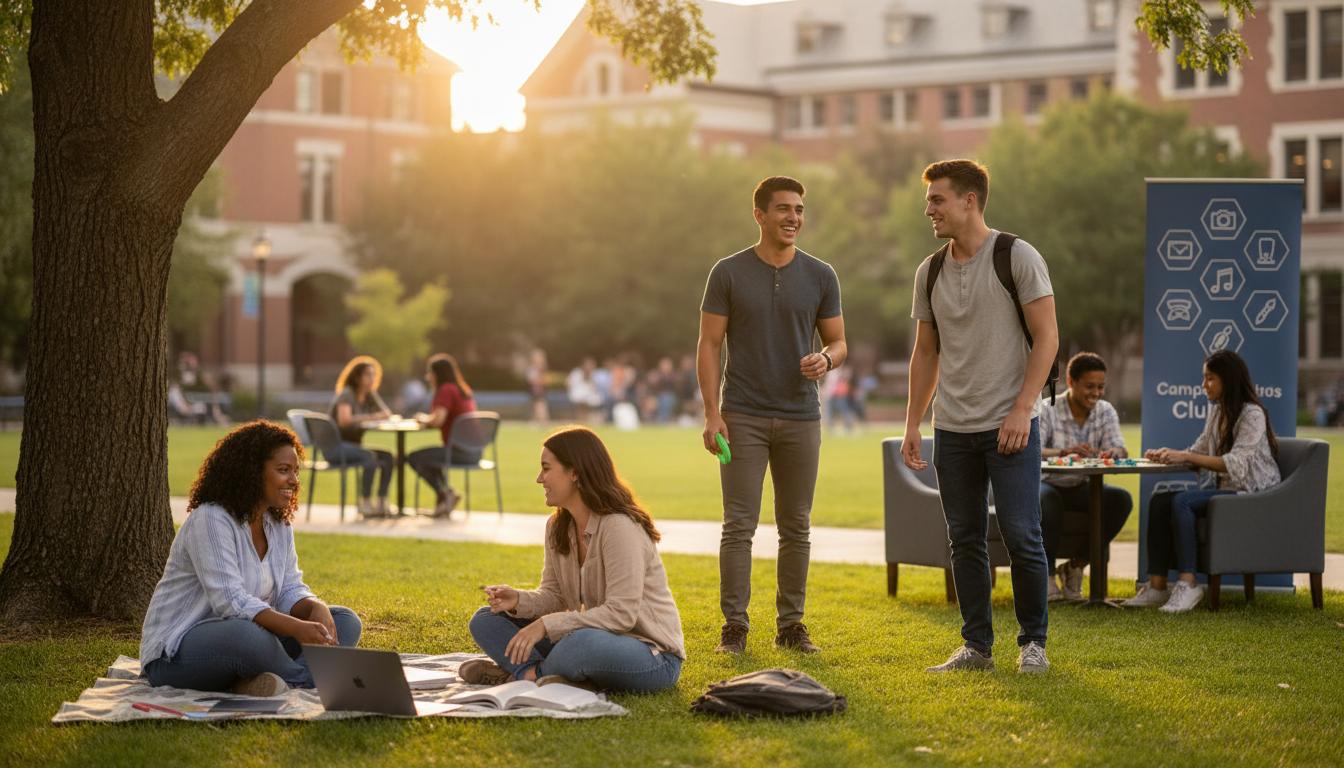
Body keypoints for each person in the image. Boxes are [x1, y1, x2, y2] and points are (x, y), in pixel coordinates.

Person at [902, 159, 1058, 674]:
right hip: (952, 428)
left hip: (1009, 427)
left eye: (937, 199)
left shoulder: (1017, 256)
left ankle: (1033, 643)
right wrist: (912, 424)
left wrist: (1021, 410)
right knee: (963, 538)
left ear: (969, 200)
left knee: (1021, 534)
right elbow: (925, 354)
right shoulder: (931, 271)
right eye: (929, 201)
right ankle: (976, 647)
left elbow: (1048, 338)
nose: (929, 209)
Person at [697, 175, 846, 655]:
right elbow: (709, 344)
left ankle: (791, 626)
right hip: (742, 415)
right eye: (783, 209)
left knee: (796, 525)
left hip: (802, 416)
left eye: (799, 209)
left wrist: (826, 359)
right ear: (759, 214)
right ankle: (734, 628)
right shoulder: (728, 272)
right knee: (739, 524)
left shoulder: (821, 275)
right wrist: (711, 413)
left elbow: (840, 342)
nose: (793, 218)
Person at [139, 421, 362, 695]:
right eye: (283, 470)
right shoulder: (210, 519)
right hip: (175, 656)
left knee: (344, 620)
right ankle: (303, 680)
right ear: (252, 472)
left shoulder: (278, 523)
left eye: (296, 471)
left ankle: (254, 683)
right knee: (246, 635)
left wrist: (316, 608)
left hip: (250, 640)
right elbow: (230, 602)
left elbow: (290, 588)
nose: (294, 480)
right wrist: (297, 627)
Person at [462, 426, 685, 693]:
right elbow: (555, 596)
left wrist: (547, 625)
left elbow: (622, 614)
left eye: (546, 468)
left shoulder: (618, 527)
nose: (538, 479)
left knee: (579, 643)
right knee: (486, 619)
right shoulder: (557, 526)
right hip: (594, 639)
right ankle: (542, 674)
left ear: (575, 473)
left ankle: (525, 674)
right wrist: (518, 601)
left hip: (651, 656)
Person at [1125, 350, 1281, 613]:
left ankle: (1188, 583)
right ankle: (1157, 586)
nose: (1203, 385)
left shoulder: (1252, 414)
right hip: (1225, 490)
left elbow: (1237, 462)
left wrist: (1185, 455)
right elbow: (1200, 450)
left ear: (1227, 380)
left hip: (1252, 493)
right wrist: (1169, 456)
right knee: (1160, 500)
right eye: (1204, 378)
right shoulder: (1218, 411)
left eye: (1210, 378)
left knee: (1183, 501)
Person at [1038, 352, 1132, 601]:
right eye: (1090, 386)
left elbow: (1121, 448)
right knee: (1048, 501)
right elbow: (1033, 449)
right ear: (1071, 382)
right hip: (1046, 482)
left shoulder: (1105, 411)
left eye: (1101, 387)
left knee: (1121, 500)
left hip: (1082, 485)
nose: (1096, 393)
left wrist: (1114, 452)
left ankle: (1076, 565)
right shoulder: (1048, 408)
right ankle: (1046, 578)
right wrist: (1063, 452)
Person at [407, 353, 478, 517]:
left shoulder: (446, 389)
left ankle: (446, 493)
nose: (428, 377)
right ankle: (445, 498)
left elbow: (438, 420)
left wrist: (422, 418)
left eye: (429, 373)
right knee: (430, 458)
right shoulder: (462, 389)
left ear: (437, 374)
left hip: (459, 452)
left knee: (415, 458)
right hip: (474, 452)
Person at [328, 356, 395, 518]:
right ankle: (364, 503)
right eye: (368, 375)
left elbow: (386, 414)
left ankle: (381, 502)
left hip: (354, 447)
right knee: (369, 457)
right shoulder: (347, 394)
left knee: (388, 456)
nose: (372, 379)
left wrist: (376, 415)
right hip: (336, 447)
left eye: (374, 375)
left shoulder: (369, 394)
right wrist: (372, 417)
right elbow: (344, 421)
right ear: (357, 377)